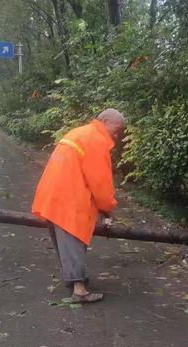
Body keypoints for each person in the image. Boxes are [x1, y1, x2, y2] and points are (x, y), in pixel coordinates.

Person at [32, 108, 125, 303]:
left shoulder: (80, 132)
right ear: (104, 120)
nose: (116, 135)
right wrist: (108, 207)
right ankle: (79, 290)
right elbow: (100, 183)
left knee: (65, 243)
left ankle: (74, 280)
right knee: (74, 240)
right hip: (69, 196)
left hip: (52, 194)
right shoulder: (96, 140)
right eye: (116, 129)